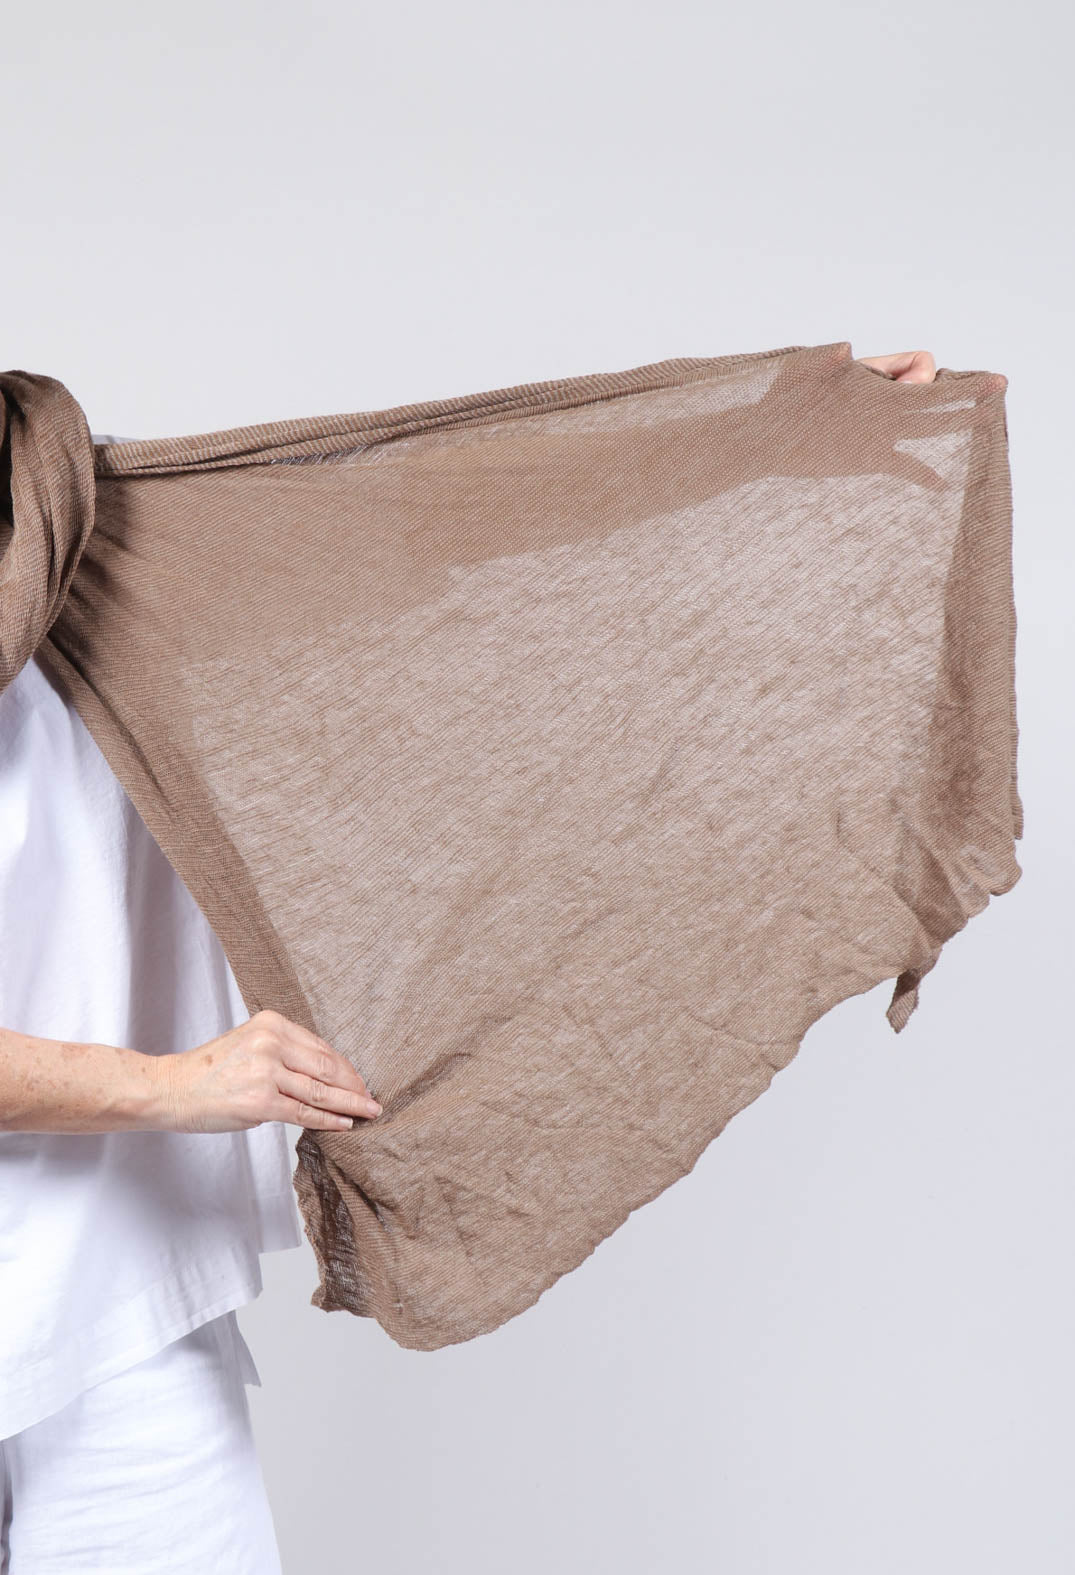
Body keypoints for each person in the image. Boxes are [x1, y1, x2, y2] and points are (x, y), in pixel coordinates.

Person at [0, 348, 935, 1572]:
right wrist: (170, 1086)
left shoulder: (84, 528)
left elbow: (430, 520)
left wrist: (763, 435)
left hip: (114, 1295)